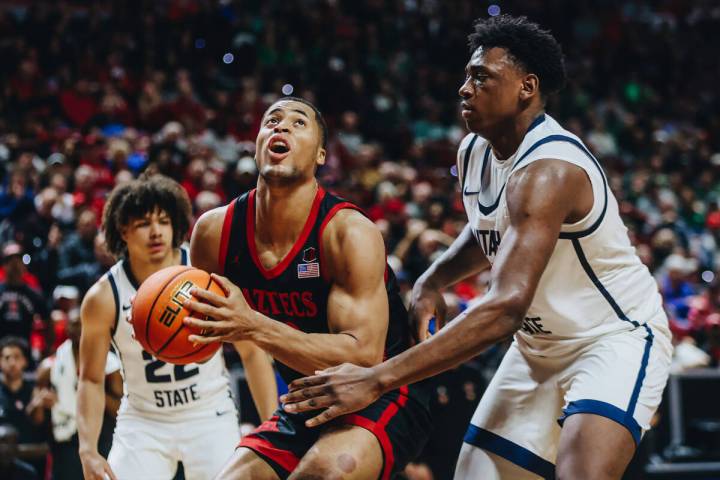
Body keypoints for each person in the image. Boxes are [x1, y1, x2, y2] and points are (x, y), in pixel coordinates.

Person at [281, 16, 673, 480]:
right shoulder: (475, 150)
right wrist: (434, 279)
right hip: (538, 348)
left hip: (612, 338)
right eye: (467, 75)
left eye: (481, 77)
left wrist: (376, 379)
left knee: (582, 473)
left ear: (526, 88)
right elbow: (487, 228)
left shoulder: (549, 170)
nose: (465, 88)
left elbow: (505, 307)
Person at [184, 96, 432, 479]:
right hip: (307, 396)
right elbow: (198, 344)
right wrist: (163, 327)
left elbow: (362, 356)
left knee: (321, 474)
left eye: (298, 123)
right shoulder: (215, 232)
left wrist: (252, 325)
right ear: (256, 144)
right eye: (272, 121)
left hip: (385, 391)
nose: (281, 127)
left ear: (320, 156)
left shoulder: (349, 232)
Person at [77, 174, 278, 480]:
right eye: (144, 223)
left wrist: (271, 426)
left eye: (163, 221)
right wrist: (88, 449)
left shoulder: (204, 272)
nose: (156, 232)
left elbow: (251, 353)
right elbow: (91, 379)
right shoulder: (104, 297)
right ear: (123, 230)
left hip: (209, 413)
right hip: (143, 421)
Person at [35, 308, 123, 479]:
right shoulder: (49, 366)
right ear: (67, 328)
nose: (80, 328)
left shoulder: (111, 366)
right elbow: (35, 416)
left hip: (102, 438)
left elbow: (120, 410)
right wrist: (40, 402)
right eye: (76, 323)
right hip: (65, 440)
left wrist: (93, 390)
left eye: (84, 323)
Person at [0, 337, 49, 477]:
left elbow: (41, 425)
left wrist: (36, 407)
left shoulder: (37, 390)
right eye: (6, 357)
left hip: (33, 461)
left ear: (25, 361)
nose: (12, 362)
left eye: (17, 357)